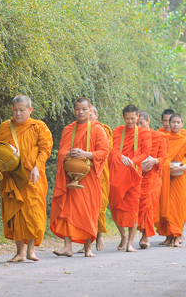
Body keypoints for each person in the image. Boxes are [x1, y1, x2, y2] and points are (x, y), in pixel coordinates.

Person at [0, 95, 53, 263]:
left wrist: (37, 167)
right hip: (12, 176)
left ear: (30, 110)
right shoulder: (6, 126)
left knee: (33, 212)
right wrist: (0, 165)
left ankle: (31, 251)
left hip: (32, 176)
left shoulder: (39, 126)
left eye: (22, 110)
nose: (18, 114)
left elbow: (46, 149)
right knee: (16, 213)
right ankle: (20, 252)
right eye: (15, 110)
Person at [51, 97, 109, 257]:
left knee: (88, 210)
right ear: (74, 110)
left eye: (84, 109)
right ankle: (67, 246)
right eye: (78, 109)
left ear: (90, 110)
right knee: (67, 210)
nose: (81, 112)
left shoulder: (98, 129)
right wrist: (68, 154)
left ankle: (88, 248)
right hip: (70, 177)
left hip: (89, 177)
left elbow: (104, 151)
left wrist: (86, 154)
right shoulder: (69, 129)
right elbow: (61, 151)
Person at [108, 105, 151, 252]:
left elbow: (145, 153)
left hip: (133, 175)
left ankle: (130, 243)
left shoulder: (144, 133)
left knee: (133, 209)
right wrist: (121, 157)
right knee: (116, 206)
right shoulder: (118, 131)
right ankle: (123, 235)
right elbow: (113, 149)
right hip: (118, 174)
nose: (130, 121)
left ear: (137, 116)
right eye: (127, 118)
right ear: (123, 117)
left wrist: (133, 160)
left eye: (133, 118)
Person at [157, 114, 186, 247]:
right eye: (173, 122)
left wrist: (183, 166)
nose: (175, 125)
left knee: (178, 206)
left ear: (182, 124)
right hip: (166, 176)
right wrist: (167, 165)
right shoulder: (164, 139)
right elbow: (160, 156)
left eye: (178, 122)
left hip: (179, 176)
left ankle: (177, 236)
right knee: (167, 205)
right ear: (169, 123)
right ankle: (169, 236)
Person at [136, 110, 165, 249]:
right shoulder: (133, 137)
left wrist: (154, 160)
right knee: (136, 204)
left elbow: (163, 157)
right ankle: (128, 238)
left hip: (152, 177)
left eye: (141, 123)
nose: (139, 126)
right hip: (136, 175)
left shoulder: (159, 136)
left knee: (149, 205)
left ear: (148, 121)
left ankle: (145, 236)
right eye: (137, 124)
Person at [89, 105, 113, 251]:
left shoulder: (103, 130)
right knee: (85, 206)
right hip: (83, 172)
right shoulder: (79, 130)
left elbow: (106, 150)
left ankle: (99, 237)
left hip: (100, 172)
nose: (89, 119)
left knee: (99, 205)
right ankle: (87, 241)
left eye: (91, 116)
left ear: (96, 116)